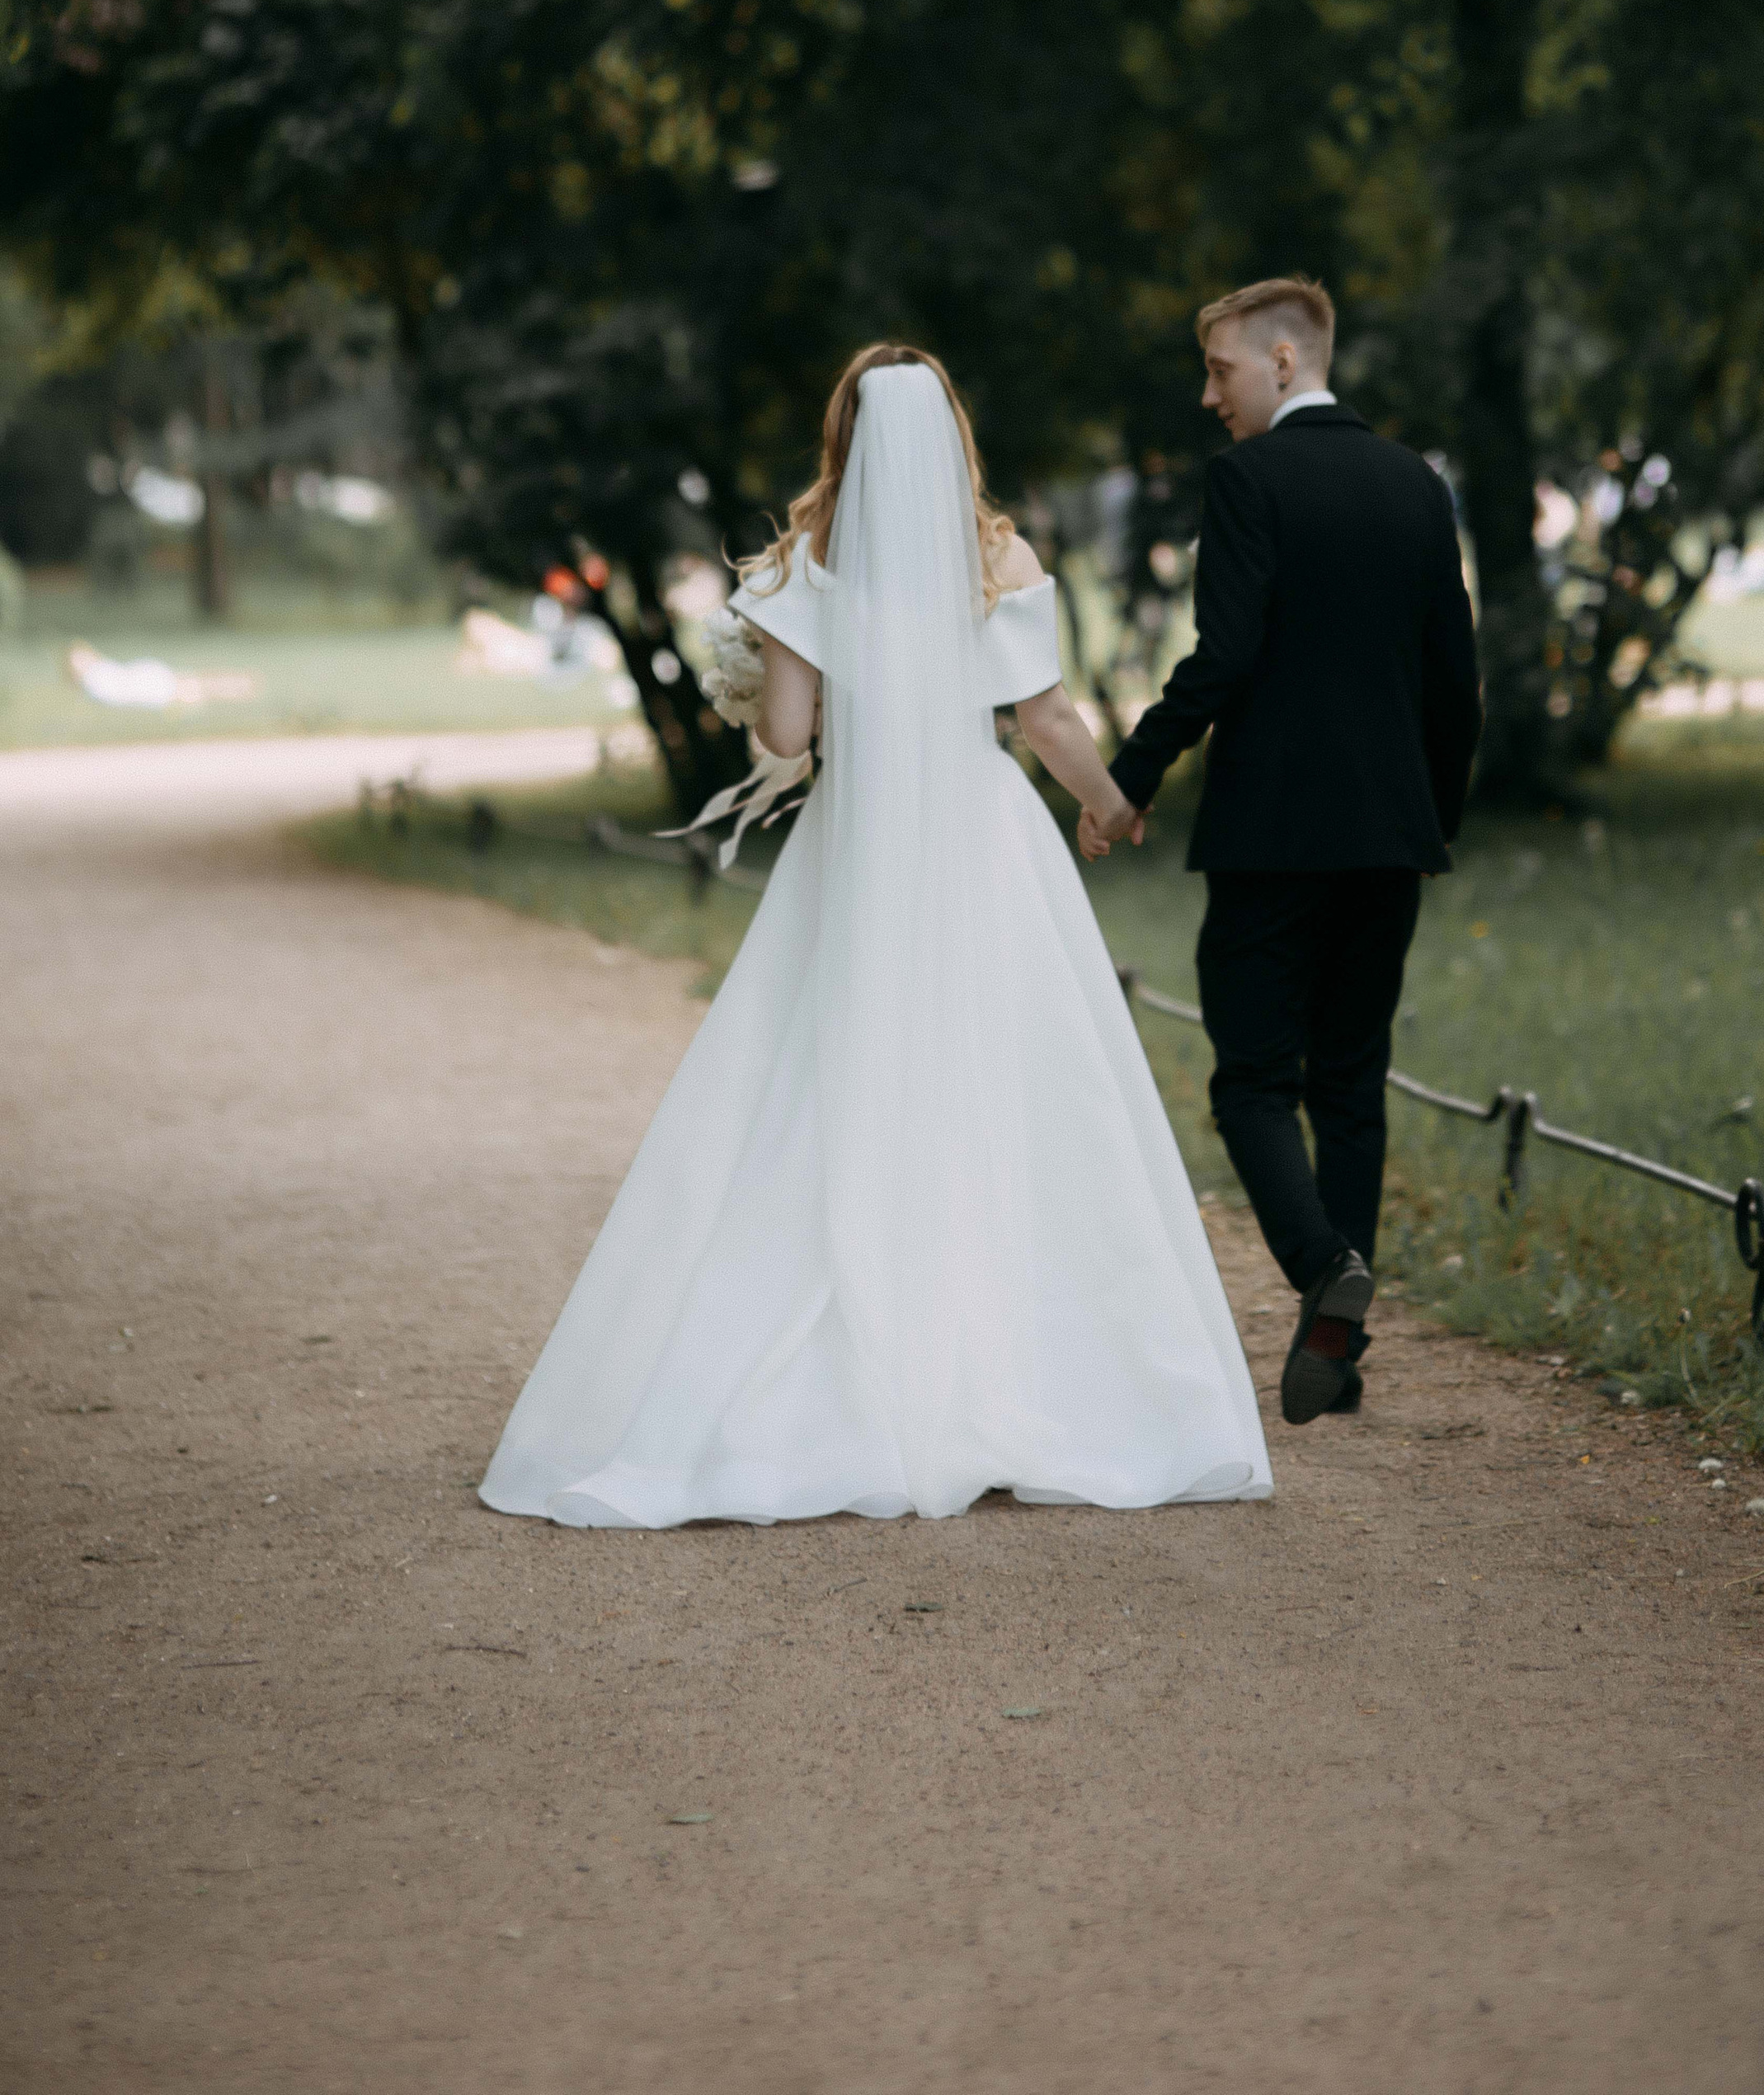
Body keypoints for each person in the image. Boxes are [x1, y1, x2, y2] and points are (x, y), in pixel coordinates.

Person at [479, 344, 1271, 1529]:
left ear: (844, 433)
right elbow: (1044, 714)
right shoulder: (1001, 556)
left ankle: (844, 1370)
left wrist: (761, 679)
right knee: (1009, 1082)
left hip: (858, 850)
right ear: (953, 432)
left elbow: (792, 740)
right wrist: (1108, 803)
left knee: (827, 1079)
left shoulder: (811, 563)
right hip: (984, 836)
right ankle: (1029, 1371)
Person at [1094, 277, 1481, 1427]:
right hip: (1390, 836)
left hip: (1272, 835)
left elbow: (1226, 655)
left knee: (1253, 1079)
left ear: (1279, 358)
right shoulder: (1418, 484)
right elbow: (1453, 682)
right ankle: (1340, 1341)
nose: (1207, 396)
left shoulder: (1250, 479)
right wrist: (1433, 817)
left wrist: (1128, 778)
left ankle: (1323, 1262)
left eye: (1217, 370)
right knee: (1351, 1082)